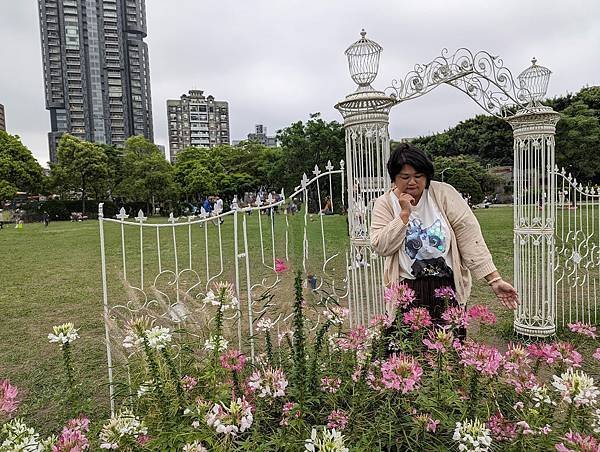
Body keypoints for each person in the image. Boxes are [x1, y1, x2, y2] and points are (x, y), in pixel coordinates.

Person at [370, 143, 518, 336]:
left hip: (446, 287)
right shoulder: (385, 204)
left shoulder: (443, 194)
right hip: (407, 289)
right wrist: (404, 215)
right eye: (405, 177)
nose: (412, 182)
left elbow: (469, 235)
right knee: (407, 355)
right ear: (394, 178)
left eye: (418, 176)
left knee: (448, 354)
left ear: (427, 176)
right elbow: (381, 246)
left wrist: (494, 280)